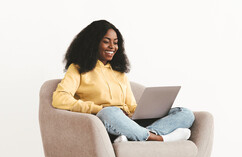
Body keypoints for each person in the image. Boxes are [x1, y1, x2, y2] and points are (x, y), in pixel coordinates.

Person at [52, 20, 194, 143]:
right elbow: (59, 99)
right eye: (106, 42)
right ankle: (158, 139)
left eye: (115, 43)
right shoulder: (78, 69)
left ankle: (139, 135)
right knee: (109, 112)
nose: (112, 47)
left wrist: (141, 112)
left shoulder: (119, 72)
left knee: (185, 113)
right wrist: (98, 109)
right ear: (93, 43)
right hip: (107, 121)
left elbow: (131, 105)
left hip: (128, 122)